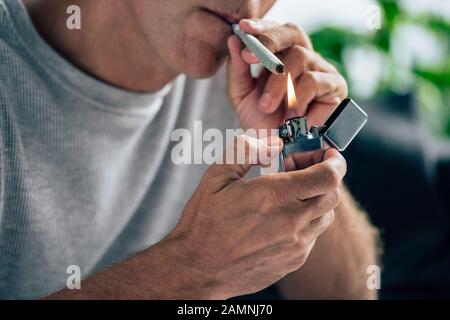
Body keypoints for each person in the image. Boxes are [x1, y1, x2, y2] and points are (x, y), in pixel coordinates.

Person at [0, 0, 379, 299]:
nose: (250, 2)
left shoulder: (248, 82)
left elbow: (351, 295)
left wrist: (299, 153)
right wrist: (188, 268)